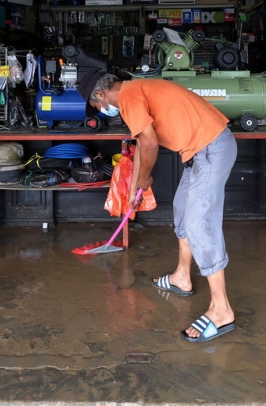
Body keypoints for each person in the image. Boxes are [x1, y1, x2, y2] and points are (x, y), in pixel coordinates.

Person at [76, 71, 238, 343]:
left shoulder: (128, 97)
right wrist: (134, 191)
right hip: (200, 153)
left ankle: (221, 310)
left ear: (101, 96)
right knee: (182, 211)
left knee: (200, 223)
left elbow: (151, 143)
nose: (102, 110)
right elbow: (141, 145)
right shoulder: (135, 90)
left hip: (211, 149)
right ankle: (182, 277)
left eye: (96, 106)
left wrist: (144, 180)